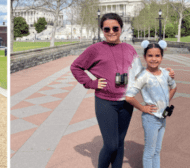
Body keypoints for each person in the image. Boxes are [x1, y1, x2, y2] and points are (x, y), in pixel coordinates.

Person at [70, 13, 174, 168]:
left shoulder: (129, 49)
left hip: (126, 103)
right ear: (102, 30)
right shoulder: (95, 49)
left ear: (120, 29)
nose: (111, 31)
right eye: (106, 29)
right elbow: (76, 67)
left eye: (115, 28)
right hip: (105, 102)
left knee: (119, 142)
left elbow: (140, 73)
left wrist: (162, 72)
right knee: (111, 144)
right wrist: (91, 83)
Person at [125, 40, 177, 168]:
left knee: (157, 151)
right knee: (149, 152)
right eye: (150, 55)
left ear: (162, 57)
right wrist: (143, 108)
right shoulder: (143, 76)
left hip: (163, 117)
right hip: (151, 119)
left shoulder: (165, 73)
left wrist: (165, 102)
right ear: (145, 57)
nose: (154, 59)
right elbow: (129, 97)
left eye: (157, 55)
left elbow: (174, 87)